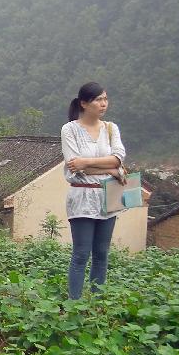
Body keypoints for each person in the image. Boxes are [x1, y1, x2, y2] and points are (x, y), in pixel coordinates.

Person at [60, 82, 126, 300]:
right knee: (81, 253)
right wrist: (111, 169)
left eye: (105, 99)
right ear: (84, 103)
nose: (103, 103)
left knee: (101, 253)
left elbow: (118, 157)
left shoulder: (110, 128)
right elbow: (73, 165)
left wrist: (87, 162)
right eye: (98, 99)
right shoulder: (70, 129)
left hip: (108, 195)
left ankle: (97, 302)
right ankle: (74, 303)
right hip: (82, 196)